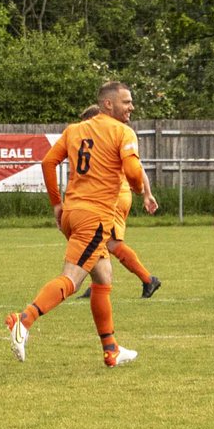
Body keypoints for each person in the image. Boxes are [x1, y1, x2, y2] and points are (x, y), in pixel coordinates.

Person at [6, 81, 148, 368]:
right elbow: (133, 170)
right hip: (95, 218)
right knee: (71, 279)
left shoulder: (74, 130)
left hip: (72, 212)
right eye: (126, 102)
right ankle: (24, 320)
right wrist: (137, 187)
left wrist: (56, 203)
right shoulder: (123, 132)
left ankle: (111, 350)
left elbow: (48, 163)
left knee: (103, 276)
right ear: (108, 104)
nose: (131, 106)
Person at [66, 103, 161, 300]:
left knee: (111, 243)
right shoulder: (108, 136)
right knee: (100, 240)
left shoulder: (110, 134)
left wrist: (145, 193)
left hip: (116, 196)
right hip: (113, 195)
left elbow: (137, 168)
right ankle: (99, 283)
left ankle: (147, 279)